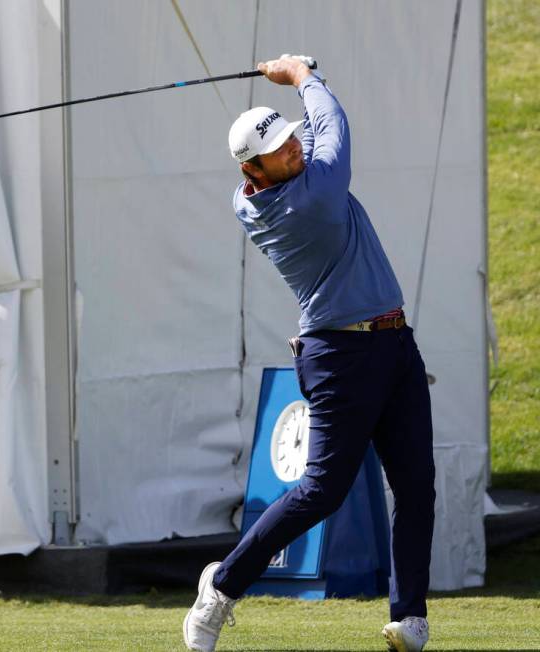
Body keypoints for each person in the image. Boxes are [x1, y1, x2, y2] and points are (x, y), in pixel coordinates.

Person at [183, 56, 435, 652]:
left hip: (394, 343)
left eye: (291, 137)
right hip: (342, 355)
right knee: (322, 488)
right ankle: (221, 585)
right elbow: (334, 128)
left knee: (417, 485)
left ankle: (409, 616)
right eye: (278, 148)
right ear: (255, 170)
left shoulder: (257, 195)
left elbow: (317, 135)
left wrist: (297, 101)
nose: (293, 148)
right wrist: (299, 75)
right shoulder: (313, 196)